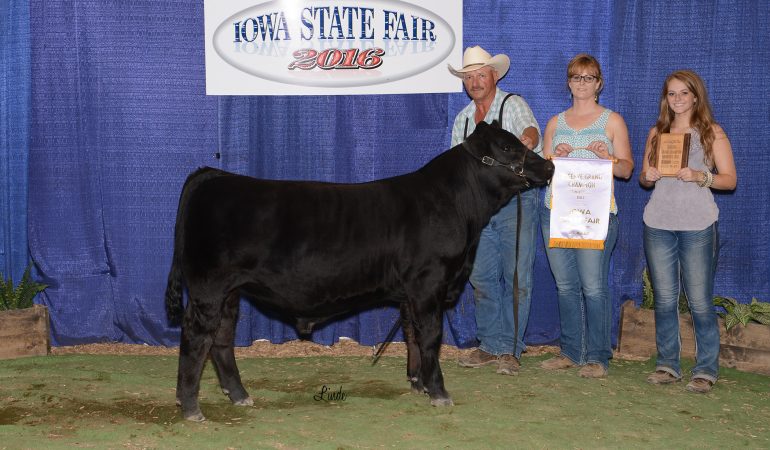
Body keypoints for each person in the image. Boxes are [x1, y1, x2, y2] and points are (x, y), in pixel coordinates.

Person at [640, 70, 736, 393]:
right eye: (671, 94)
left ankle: (706, 368)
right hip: (658, 223)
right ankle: (668, 364)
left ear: (696, 97)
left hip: (698, 223)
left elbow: (729, 180)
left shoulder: (712, 133)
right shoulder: (657, 133)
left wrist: (700, 176)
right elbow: (643, 179)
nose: (677, 99)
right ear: (665, 98)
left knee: (698, 299)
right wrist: (649, 176)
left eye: (684, 93)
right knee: (665, 299)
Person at [449, 46, 542, 376]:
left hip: (515, 203)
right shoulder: (462, 120)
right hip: (478, 209)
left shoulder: (511, 104)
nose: (474, 81)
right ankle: (490, 344)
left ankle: (512, 349)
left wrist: (527, 141)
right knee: (482, 277)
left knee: (517, 277)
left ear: (494, 76)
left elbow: (531, 130)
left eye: (480, 75)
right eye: (469, 77)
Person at [539, 54, 633, 378]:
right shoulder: (555, 123)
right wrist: (552, 158)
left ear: (599, 83)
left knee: (593, 287)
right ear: (569, 82)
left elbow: (626, 169)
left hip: (596, 213)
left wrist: (609, 157)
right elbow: (540, 171)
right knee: (565, 286)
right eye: (576, 77)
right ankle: (570, 351)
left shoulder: (612, 121)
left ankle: (597, 356)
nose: (582, 83)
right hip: (556, 209)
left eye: (588, 78)